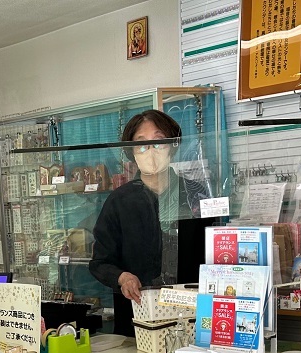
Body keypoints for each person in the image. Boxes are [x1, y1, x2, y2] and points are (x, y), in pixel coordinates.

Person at [89, 109, 212, 337]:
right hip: (138, 318)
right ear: (131, 152)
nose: (151, 151)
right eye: (142, 144)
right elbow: (100, 262)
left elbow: (213, 254)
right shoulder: (120, 200)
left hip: (192, 314)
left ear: (172, 145)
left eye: (158, 141)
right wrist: (122, 277)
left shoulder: (194, 192)